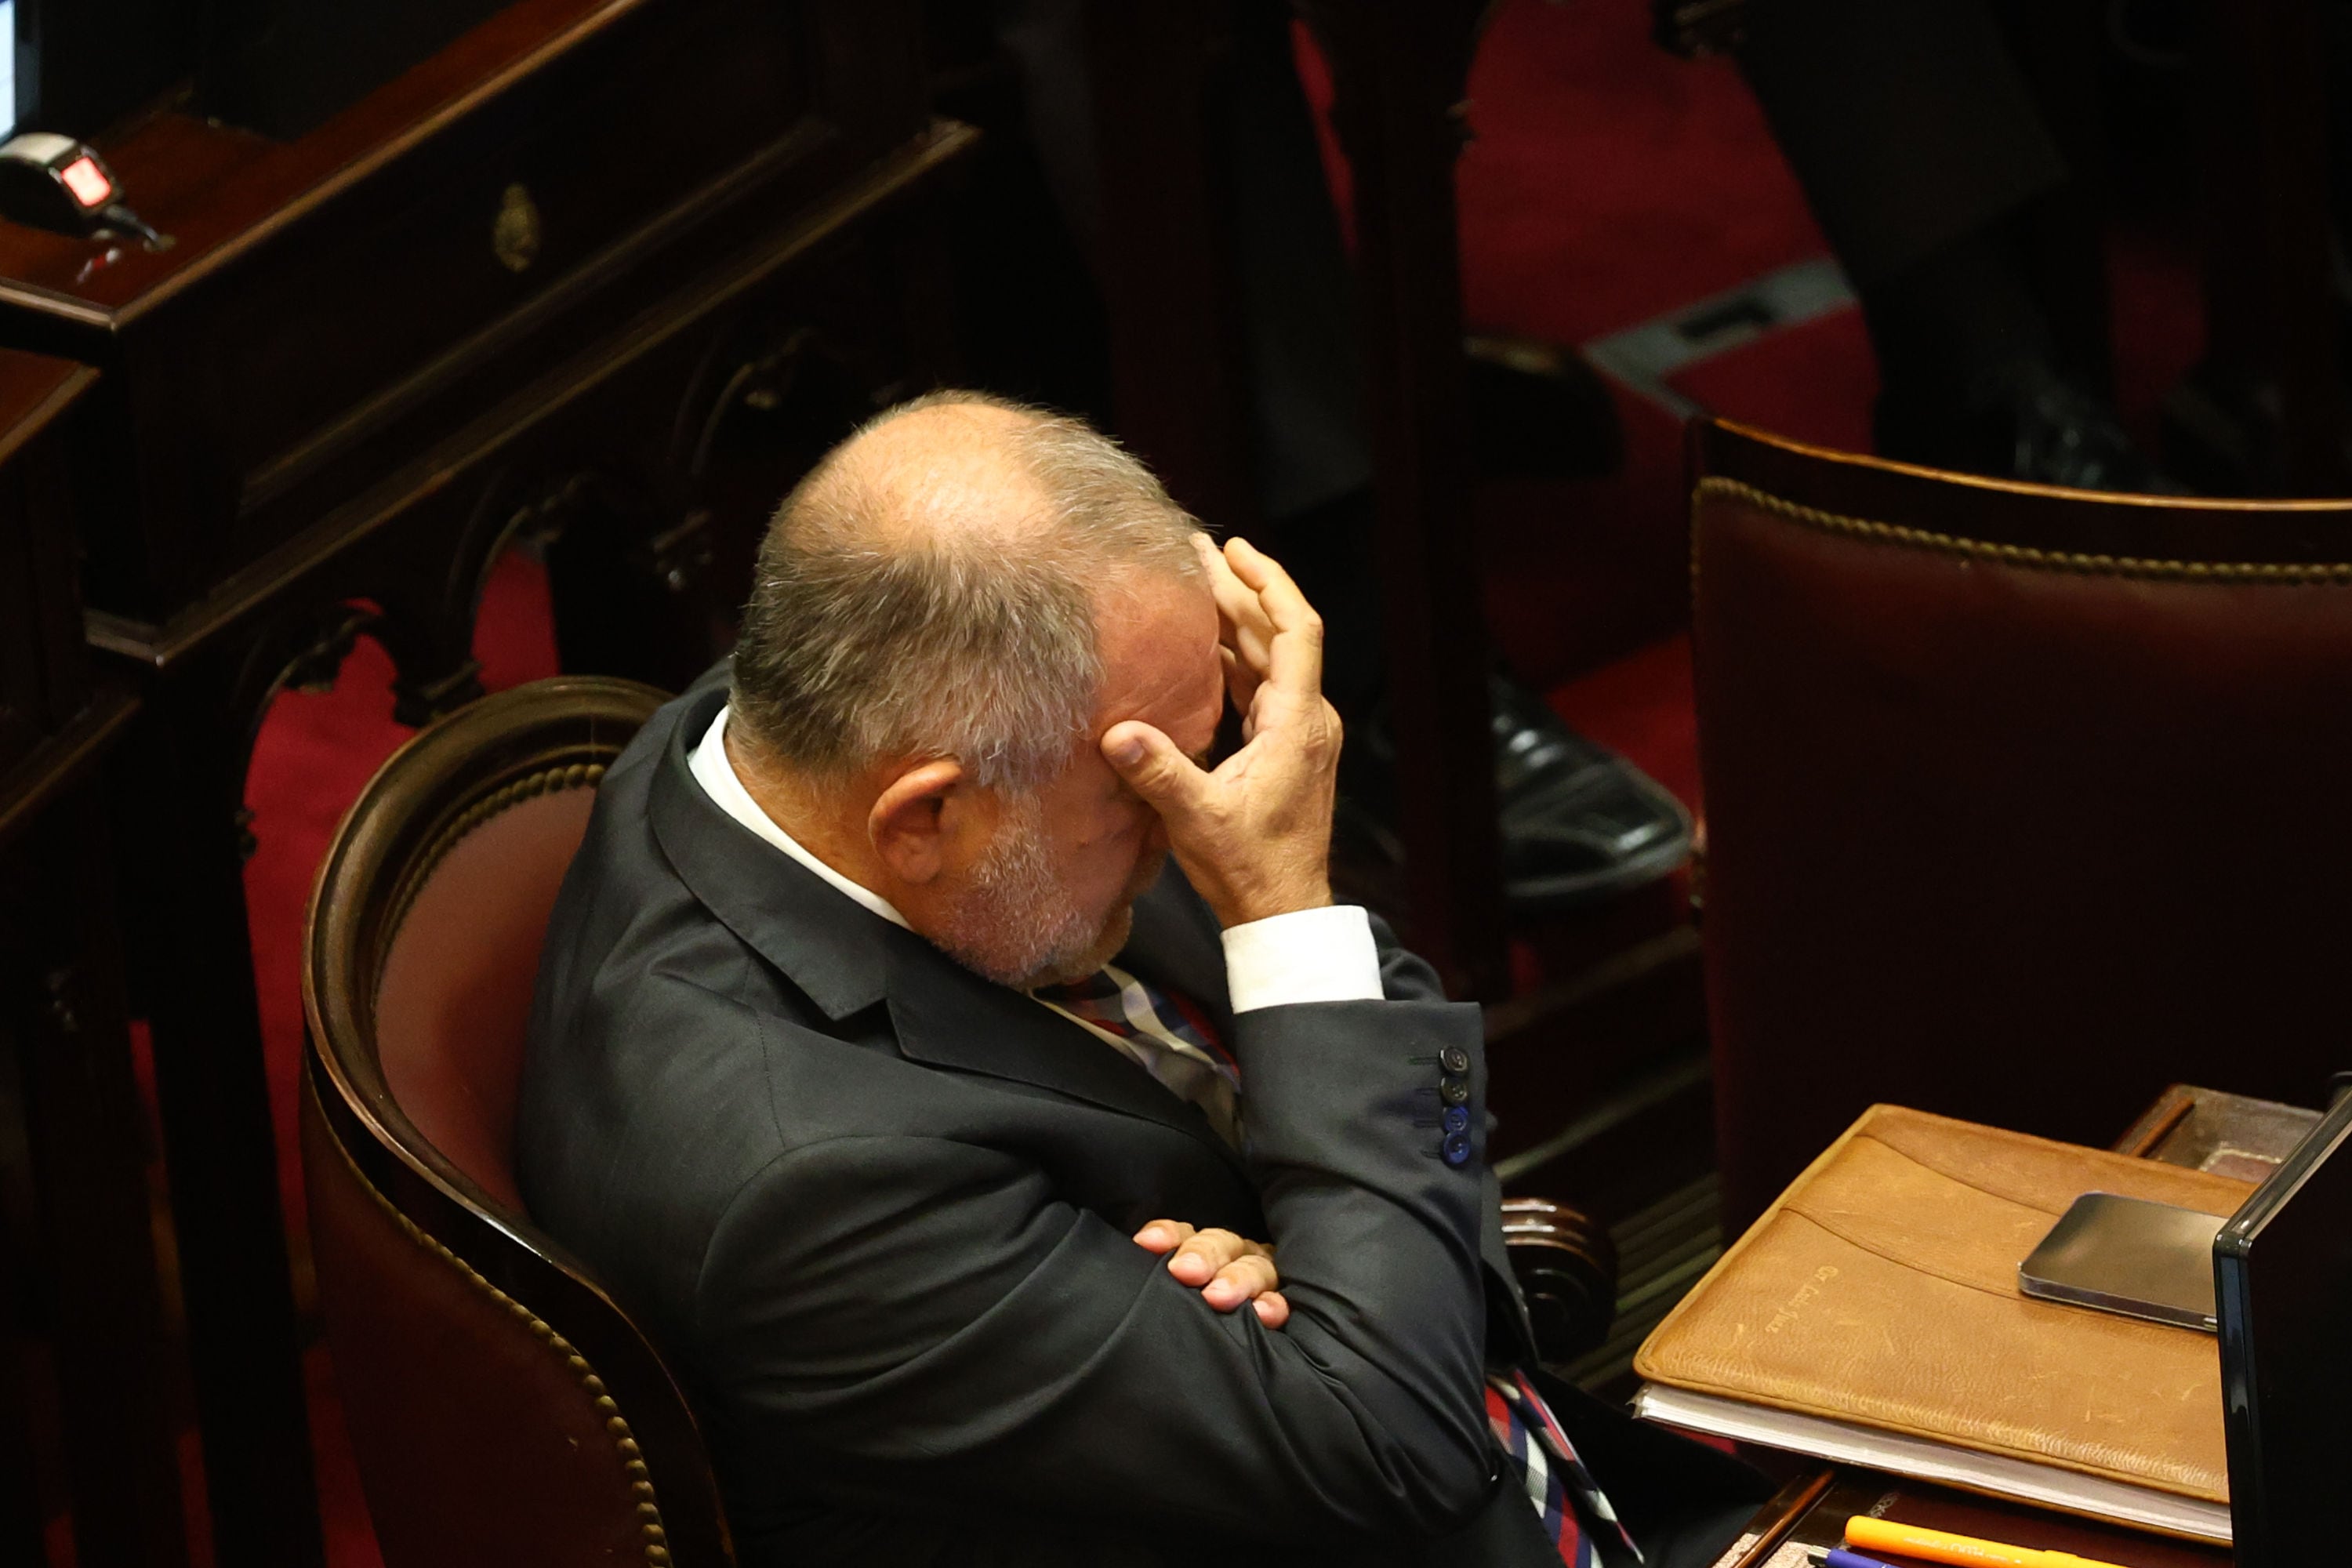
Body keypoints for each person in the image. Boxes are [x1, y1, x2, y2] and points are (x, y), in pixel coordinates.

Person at [517, 391, 1765, 1566]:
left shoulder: (831, 720)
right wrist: (1289, 941)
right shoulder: (806, 1201)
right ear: (925, 819)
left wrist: (1342, 1258)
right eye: (1156, 793)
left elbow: (1394, 1038)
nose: (1208, 823)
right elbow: (1398, 1444)